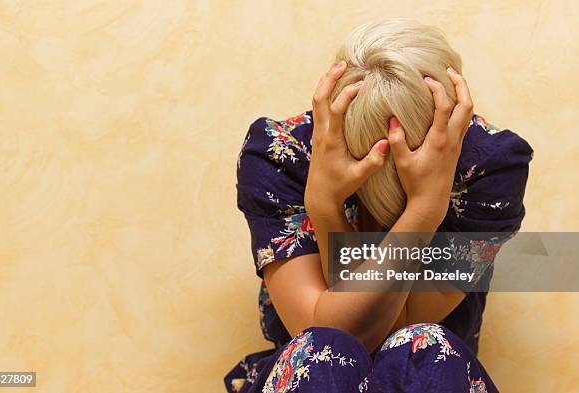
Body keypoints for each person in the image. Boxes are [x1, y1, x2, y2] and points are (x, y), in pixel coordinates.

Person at [226, 18, 532, 392]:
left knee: (425, 348)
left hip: (430, 377)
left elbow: (394, 331)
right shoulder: (282, 154)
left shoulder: (488, 167)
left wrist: (424, 208)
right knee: (323, 348)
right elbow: (331, 337)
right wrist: (326, 207)